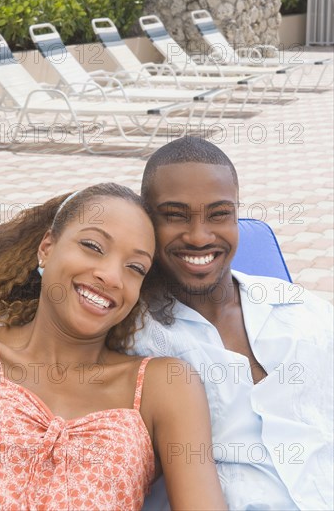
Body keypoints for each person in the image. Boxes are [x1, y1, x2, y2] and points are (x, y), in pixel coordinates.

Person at [0, 183, 227, 511]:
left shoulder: (163, 386)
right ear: (46, 247)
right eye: (93, 246)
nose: (111, 276)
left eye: (135, 268)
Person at [131, 137, 333, 511]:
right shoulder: (133, 339)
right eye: (175, 215)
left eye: (219, 214)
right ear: (146, 219)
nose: (199, 236)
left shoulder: (301, 307)